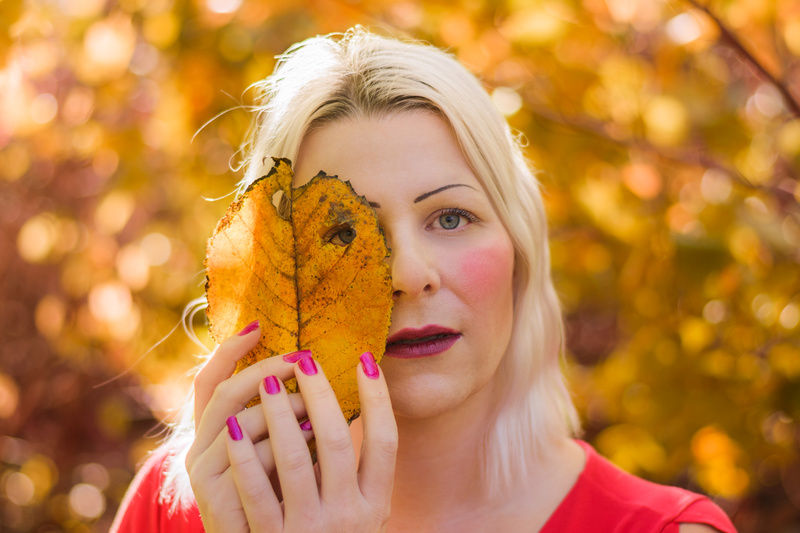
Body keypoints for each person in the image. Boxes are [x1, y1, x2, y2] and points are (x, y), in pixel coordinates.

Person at [111, 27, 737, 532]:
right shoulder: (184, 510)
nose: (408, 276)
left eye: (451, 217)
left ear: (518, 243)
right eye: (345, 233)